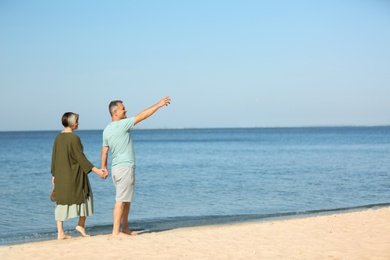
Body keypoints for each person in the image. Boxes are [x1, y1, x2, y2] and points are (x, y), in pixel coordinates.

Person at [101, 96, 171, 237]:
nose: (125, 110)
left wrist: (104, 167)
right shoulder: (122, 124)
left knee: (126, 200)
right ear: (115, 112)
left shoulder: (106, 130)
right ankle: (115, 231)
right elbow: (142, 116)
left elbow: (104, 151)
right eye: (122, 108)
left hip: (116, 169)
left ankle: (125, 228)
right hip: (124, 168)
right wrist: (158, 104)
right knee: (121, 201)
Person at [51, 112, 108, 240]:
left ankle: (60, 232)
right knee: (85, 196)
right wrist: (97, 171)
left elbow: (54, 157)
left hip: (61, 175)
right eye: (77, 120)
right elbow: (81, 158)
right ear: (71, 123)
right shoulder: (74, 138)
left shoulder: (58, 137)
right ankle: (80, 225)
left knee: (61, 202)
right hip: (75, 174)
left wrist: (54, 175)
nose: (78, 123)